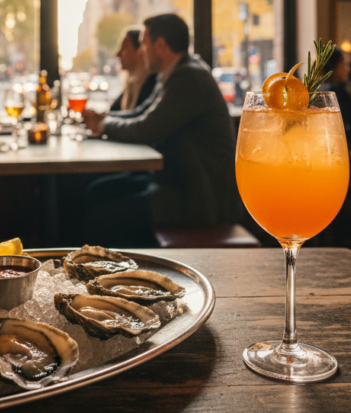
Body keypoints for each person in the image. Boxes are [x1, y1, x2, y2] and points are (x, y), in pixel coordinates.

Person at [82, 13, 237, 246]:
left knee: (102, 218)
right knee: (96, 191)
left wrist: (103, 124)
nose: (142, 50)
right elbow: (141, 113)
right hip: (175, 181)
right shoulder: (173, 72)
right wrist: (105, 117)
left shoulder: (189, 77)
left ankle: (112, 276)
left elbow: (146, 128)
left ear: (161, 45)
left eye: (144, 43)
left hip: (198, 198)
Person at [319, 46, 351, 144]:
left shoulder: (317, 91)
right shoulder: (336, 93)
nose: (349, 69)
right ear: (334, 67)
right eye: (345, 64)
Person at [109, 27, 157, 112]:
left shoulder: (151, 83)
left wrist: (103, 120)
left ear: (140, 51)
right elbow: (114, 110)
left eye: (124, 48)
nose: (118, 54)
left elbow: (137, 118)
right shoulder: (132, 81)